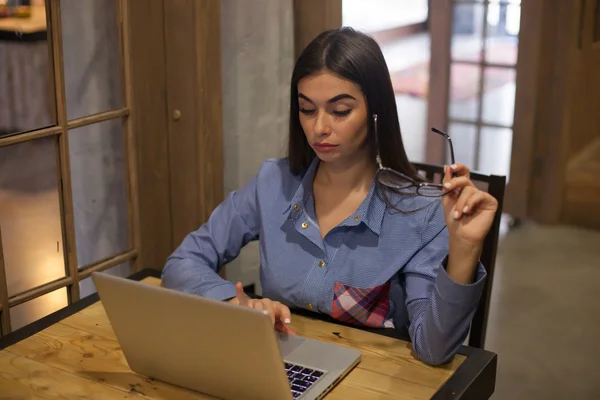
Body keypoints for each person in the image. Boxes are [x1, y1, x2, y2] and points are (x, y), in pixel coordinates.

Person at [161, 27, 498, 366]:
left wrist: (465, 248)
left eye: (340, 111)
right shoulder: (273, 182)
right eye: (307, 109)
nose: (319, 127)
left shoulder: (422, 213)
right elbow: (182, 262)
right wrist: (238, 306)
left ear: (376, 111)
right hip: (279, 369)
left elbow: (434, 350)